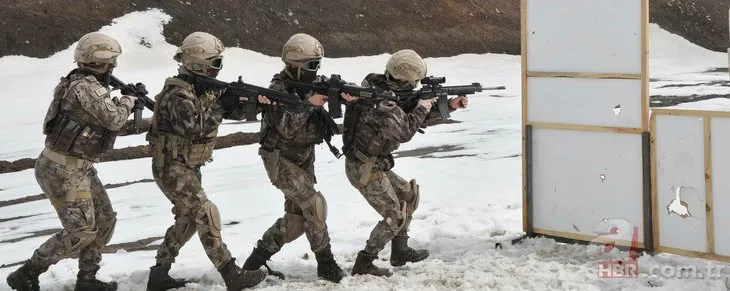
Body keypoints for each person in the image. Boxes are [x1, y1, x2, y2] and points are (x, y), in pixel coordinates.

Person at [6, 32, 151, 291]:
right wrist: (129, 100)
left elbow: (104, 127)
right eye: (111, 61)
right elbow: (115, 120)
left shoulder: (84, 85)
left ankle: (87, 279)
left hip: (79, 167)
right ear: (101, 61)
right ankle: (27, 273)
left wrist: (144, 121)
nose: (113, 66)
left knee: (104, 220)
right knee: (81, 231)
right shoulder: (85, 88)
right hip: (61, 169)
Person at [143, 31, 267, 291]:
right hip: (171, 166)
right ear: (198, 64)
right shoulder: (177, 94)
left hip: (185, 165)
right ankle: (231, 274)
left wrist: (252, 103)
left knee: (187, 221)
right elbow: (194, 127)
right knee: (206, 213)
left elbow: (224, 110)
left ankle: (159, 274)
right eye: (214, 64)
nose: (217, 70)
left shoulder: (197, 89)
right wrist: (223, 105)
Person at [341, 49, 468, 277]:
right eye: (413, 81)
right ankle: (364, 262)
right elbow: (406, 130)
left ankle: (399, 251)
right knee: (394, 216)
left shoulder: (384, 92)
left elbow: (410, 118)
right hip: (363, 168)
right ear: (405, 79)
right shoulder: (380, 102)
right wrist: (423, 105)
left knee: (408, 196)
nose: (415, 85)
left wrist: (449, 106)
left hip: (376, 164)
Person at [240, 33, 346, 283]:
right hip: (280, 159)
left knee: (296, 223)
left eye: (317, 64)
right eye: (311, 65)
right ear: (292, 65)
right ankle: (326, 263)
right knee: (314, 205)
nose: (315, 70)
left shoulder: (312, 83)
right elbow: (286, 128)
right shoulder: (277, 91)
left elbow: (334, 93)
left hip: (304, 158)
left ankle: (253, 263)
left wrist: (342, 95)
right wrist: (309, 104)